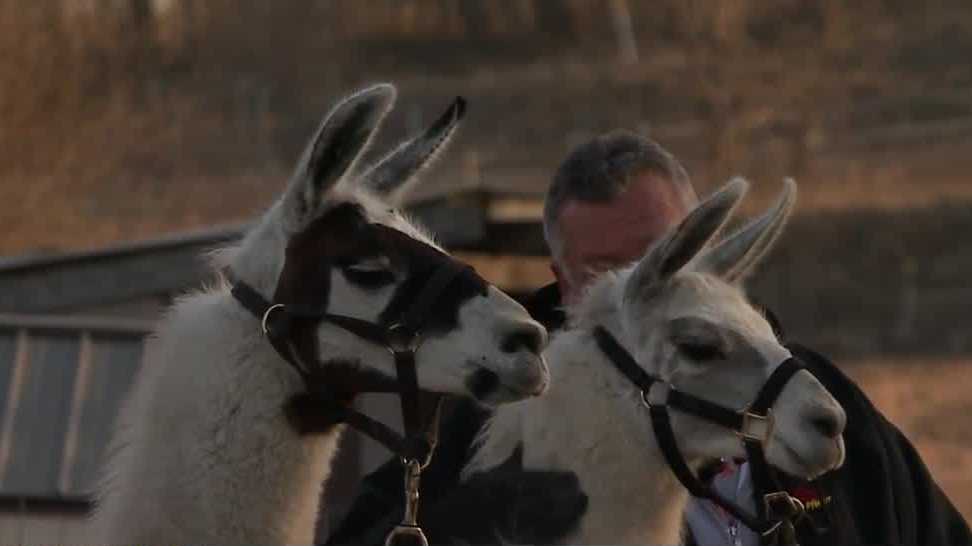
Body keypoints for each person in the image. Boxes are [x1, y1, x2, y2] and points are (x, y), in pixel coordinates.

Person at [325, 131, 971, 546]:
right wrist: (469, 521)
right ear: (561, 280)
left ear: (711, 254)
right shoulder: (487, 425)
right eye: (608, 273)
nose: (645, 293)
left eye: (667, 258)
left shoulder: (824, 409)